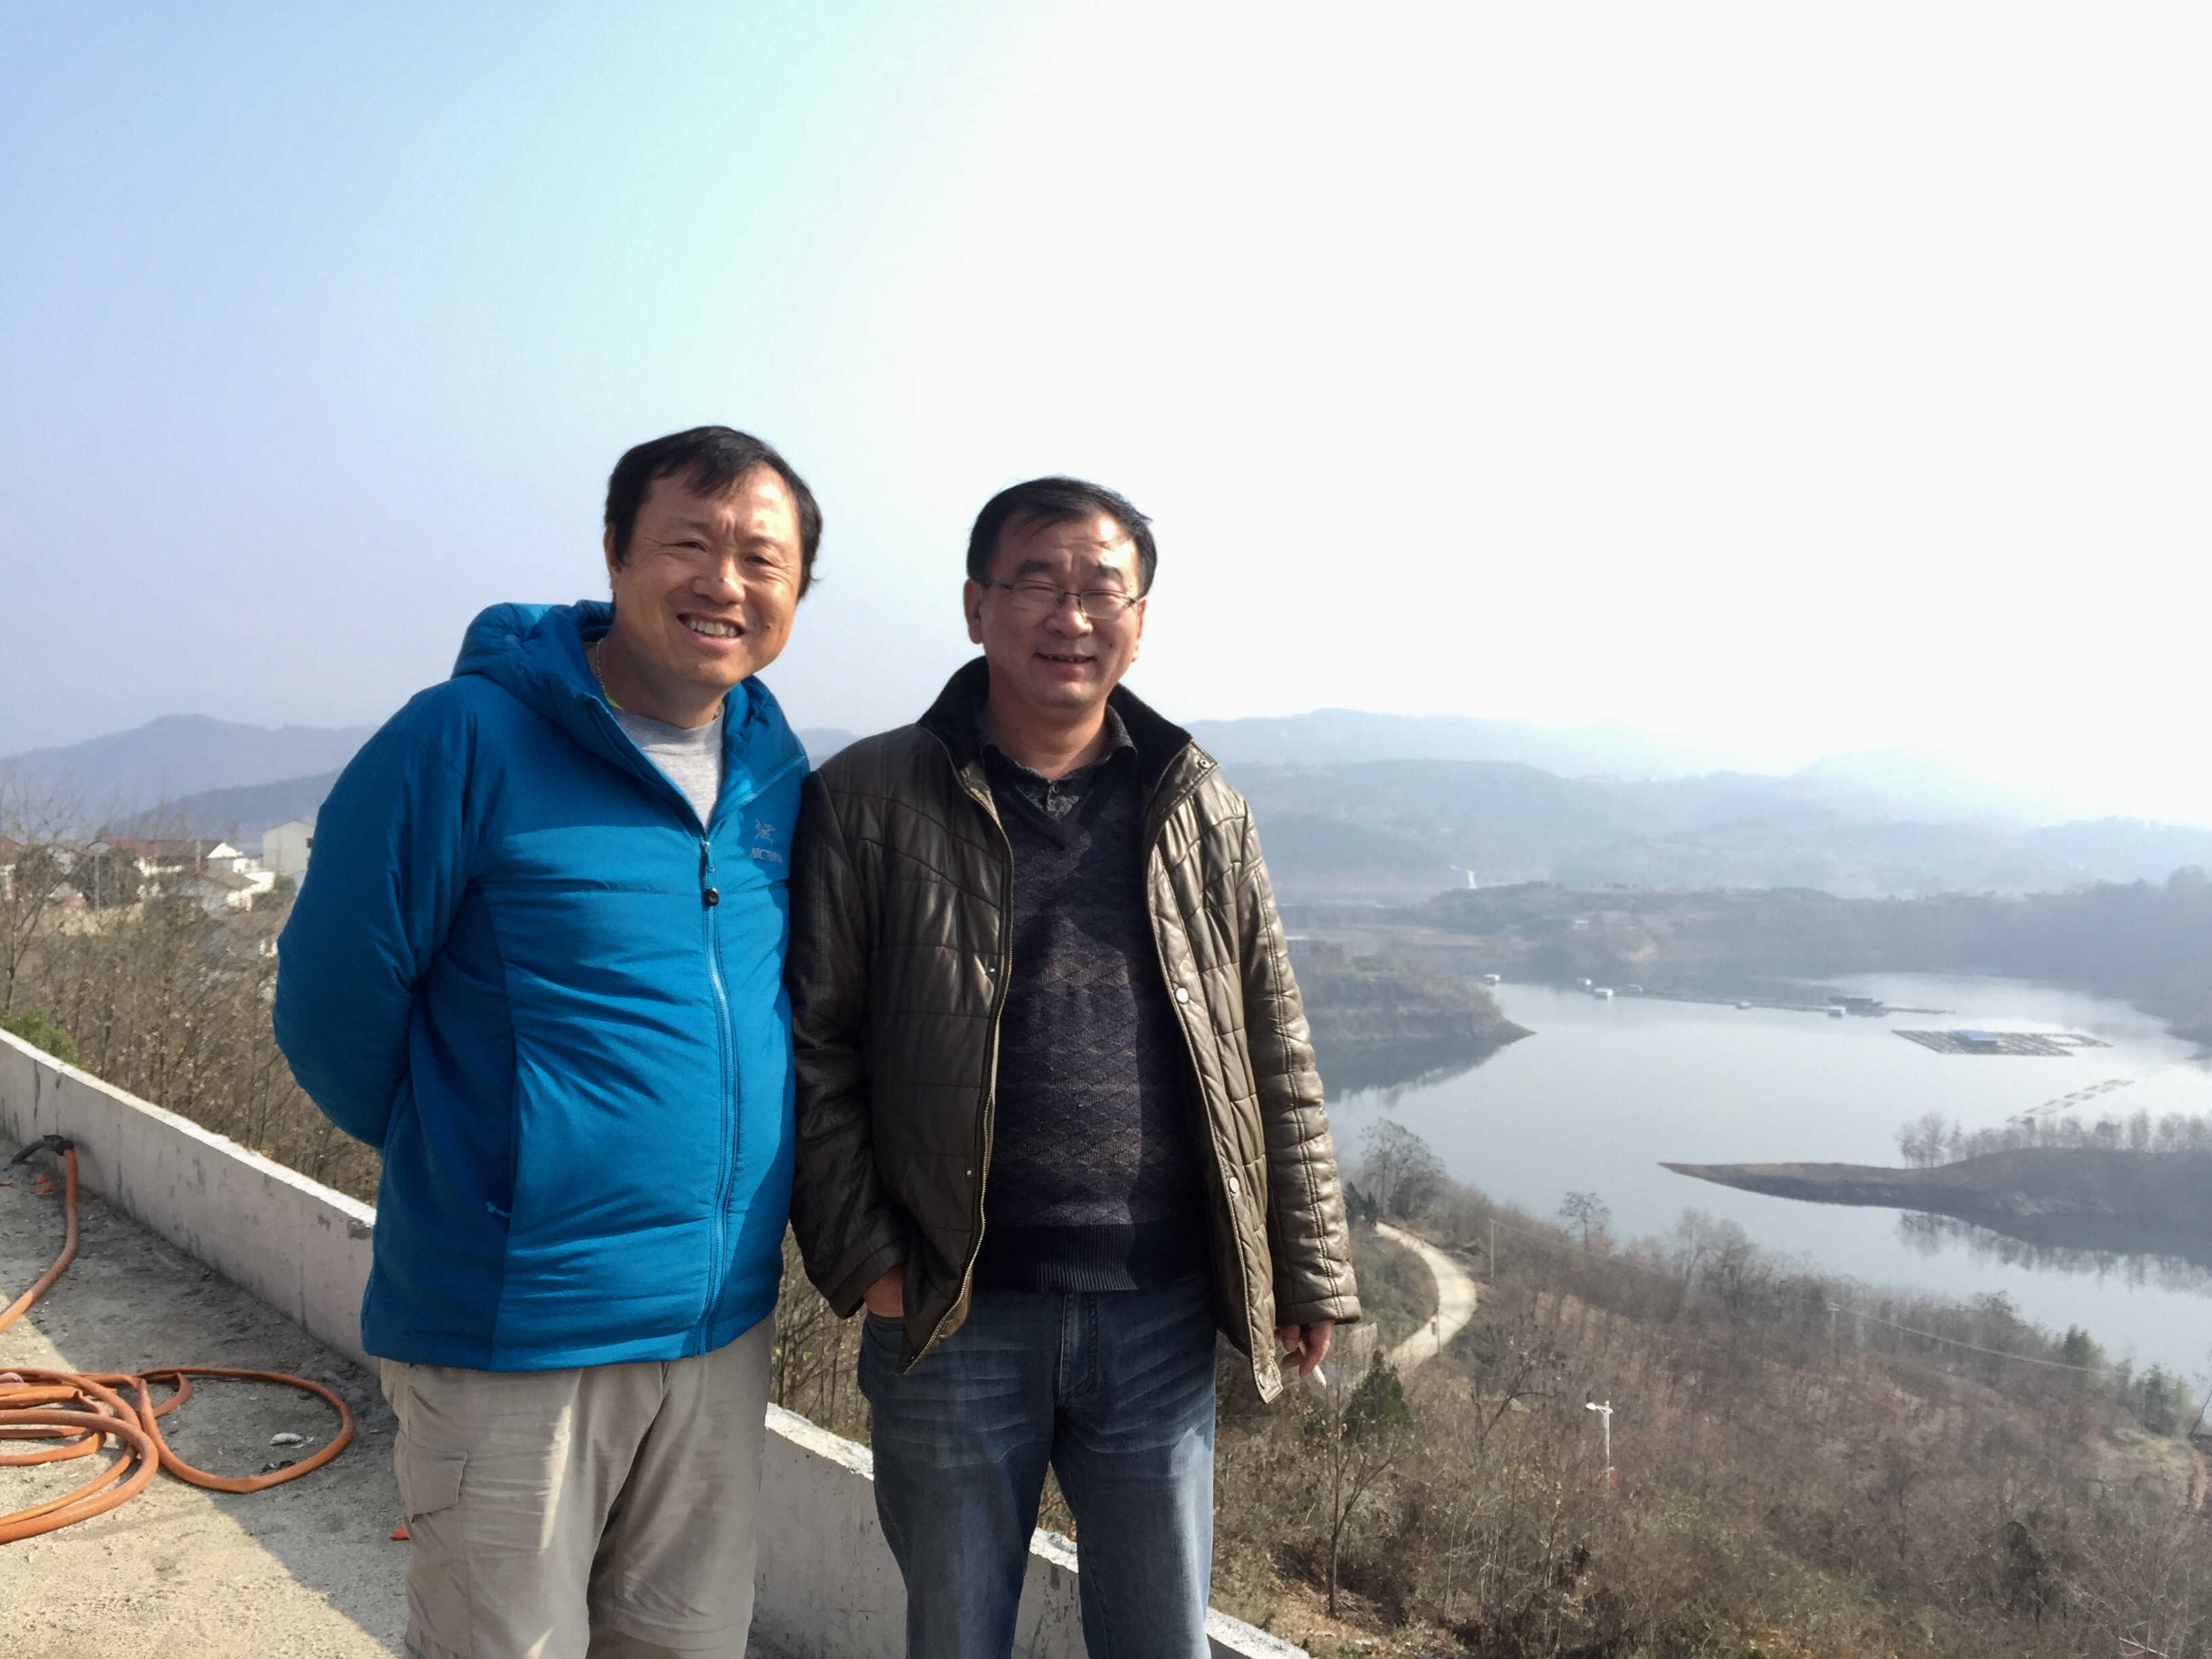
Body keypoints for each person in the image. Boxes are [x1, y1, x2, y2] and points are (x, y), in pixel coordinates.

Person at [787, 476, 1360, 1658]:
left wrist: (1306, 1264)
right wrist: (867, 1258)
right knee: (956, 1637)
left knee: (1159, 1639)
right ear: (975, 606)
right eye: (1038, 582)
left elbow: (1271, 1042)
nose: (1073, 614)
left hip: (1159, 1312)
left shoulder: (1199, 808)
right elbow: (813, 1044)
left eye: (1104, 588)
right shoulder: (869, 799)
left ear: (1141, 621)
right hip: (951, 1309)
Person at [274, 426, 819, 1659]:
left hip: (720, 1322)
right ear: (615, 553)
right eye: (688, 543)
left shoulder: (772, 769)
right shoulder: (463, 738)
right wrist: (479, 1156)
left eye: (762, 559)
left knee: (687, 1643)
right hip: (516, 1329)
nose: (724, 582)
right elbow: (330, 1006)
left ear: (796, 593)